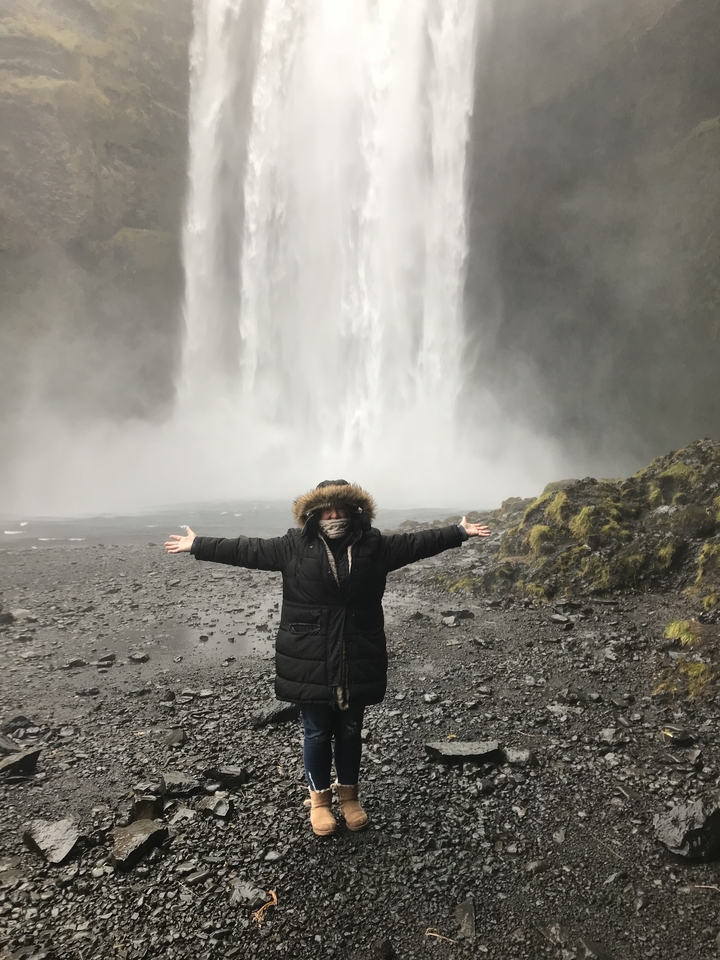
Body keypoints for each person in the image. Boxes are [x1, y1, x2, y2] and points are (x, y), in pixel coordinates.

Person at [165, 480, 490, 836]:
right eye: (326, 509)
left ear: (354, 511)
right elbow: (247, 550)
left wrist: (459, 531)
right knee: (317, 732)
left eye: (340, 508)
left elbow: (418, 542)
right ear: (314, 513)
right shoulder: (293, 545)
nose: (333, 515)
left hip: (357, 654)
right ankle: (319, 801)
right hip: (310, 656)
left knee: (350, 731)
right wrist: (198, 544)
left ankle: (349, 797)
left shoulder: (375, 546)